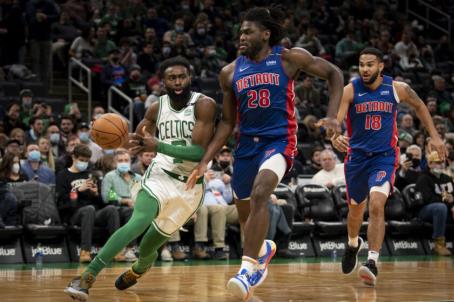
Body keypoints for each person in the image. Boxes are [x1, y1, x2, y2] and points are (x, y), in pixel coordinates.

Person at [186, 7, 343, 300]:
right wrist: (205, 158)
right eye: (240, 32)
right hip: (246, 145)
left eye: (248, 31)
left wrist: (333, 116)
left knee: (261, 194)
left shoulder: (288, 58)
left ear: (265, 34)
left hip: (280, 140)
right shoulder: (229, 72)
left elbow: (333, 74)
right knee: (245, 211)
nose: (241, 36)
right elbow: (228, 122)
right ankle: (262, 251)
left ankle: (246, 270)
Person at [64, 56, 216, 301]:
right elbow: (135, 141)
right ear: (162, 82)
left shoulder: (204, 105)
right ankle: (87, 277)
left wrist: (159, 145)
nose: (177, 81)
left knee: (148, 247)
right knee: (137, 222)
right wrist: (105, 133)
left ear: (190, 78)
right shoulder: (156, 107)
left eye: (182, 76)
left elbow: (200, 151)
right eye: (171, 78)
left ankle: (141, 267)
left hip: (189, 188)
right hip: (159, 175)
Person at [331, 47, 447, 287]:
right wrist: (334, 137)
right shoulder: (350, 90)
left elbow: (420, 106)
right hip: (357, 158)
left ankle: (372, 260)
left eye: (370, 64)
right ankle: (353, 244)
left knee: (376, 203)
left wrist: (434, 136)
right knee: (355, 211)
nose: (365, 69)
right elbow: (336, 121)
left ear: (380, 66)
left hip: (384, 157)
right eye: (362, 64)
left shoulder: (397, 88)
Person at [56, 144, 124, 263]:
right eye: (81, 160)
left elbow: (101, 203)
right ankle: (85, 251)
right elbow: (62, 202)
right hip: (74, 215)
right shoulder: (63, 175)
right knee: (89, 209)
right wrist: (77, 190)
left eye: (86, 161)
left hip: (93, 212)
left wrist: (96, 194)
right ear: (73, 157)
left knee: (111, 209)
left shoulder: (91, 175)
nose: (84, 163)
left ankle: (115, 250)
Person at [415, 151, 454, 256]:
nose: (440, 165)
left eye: (442, 162)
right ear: (430, 164)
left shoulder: (446, 178)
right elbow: (429, 199)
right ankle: (439, 244)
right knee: (440, 207)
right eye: (437, 162)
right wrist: (451, 206)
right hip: (425, 211)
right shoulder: (423, 178)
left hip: (446, 209)